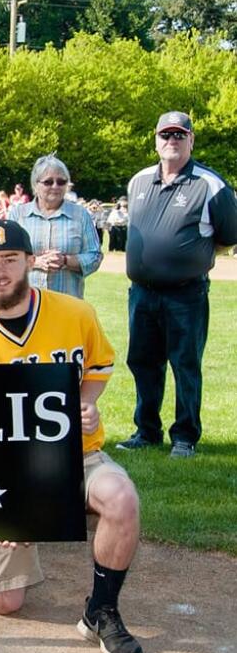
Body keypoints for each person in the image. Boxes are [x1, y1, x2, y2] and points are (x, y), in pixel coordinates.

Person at [0, 220, 145, 653]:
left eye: (10, 260)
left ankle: (102, 610)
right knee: (7, 604)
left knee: (121, 498)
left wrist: (87, 403)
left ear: (31, 262)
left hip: (77, 454)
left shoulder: (75, 313)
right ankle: (20, 533)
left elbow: (98, 365)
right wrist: (2, 509)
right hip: (10, 469)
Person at [117, 111, 237, 459]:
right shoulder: (138, 181)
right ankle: (147, 430)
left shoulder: (210, 185)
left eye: (179, 135)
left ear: (191, 140)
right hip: (141, 292)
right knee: (142, 362)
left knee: (185, 364)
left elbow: (227, 238)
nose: (172, 140)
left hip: (185, 293)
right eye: (165, 135)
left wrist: (190, 258)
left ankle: (185, 436)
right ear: (155, 140)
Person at [5, 154, 102, 299]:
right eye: (48, 182)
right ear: (35, 185)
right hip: (25, 305)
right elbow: (5, 257)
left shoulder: (80, 215)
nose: (55, 186)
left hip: (67, 305)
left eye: (61, 182)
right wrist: (35, 262)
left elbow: (94, 256)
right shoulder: (17, 215)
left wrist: (64, 261)